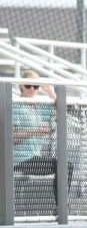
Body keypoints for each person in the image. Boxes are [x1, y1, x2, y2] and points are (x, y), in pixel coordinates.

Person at [12, 70, 72, 210]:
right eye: (28, 86)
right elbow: (13, 136)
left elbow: (62, 110)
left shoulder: (39, 106)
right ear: (21, 86)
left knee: (66, 166)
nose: (32, 89)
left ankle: (61, 206)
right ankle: (61, 207)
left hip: (34, 158)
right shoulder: (16, 105)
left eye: (36, 86)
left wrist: (51, 93)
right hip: (20, 160)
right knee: (63, 166)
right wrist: (35, 132)